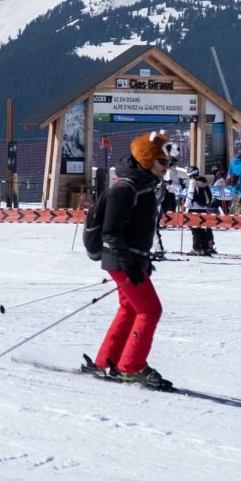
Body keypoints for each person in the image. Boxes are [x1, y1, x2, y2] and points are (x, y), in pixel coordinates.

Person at [88, 129, 172, 389]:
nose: (167, 168)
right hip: (121, 259)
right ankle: (131, 366)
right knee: (150, 310)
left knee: (130, 308)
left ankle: (107, 360)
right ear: (147, 161)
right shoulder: (126, 188)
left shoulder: (142, 185)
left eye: (169, 163)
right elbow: (111, 232)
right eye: (163, 162)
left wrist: (142, 260)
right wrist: (130, 264)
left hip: (128, 259)